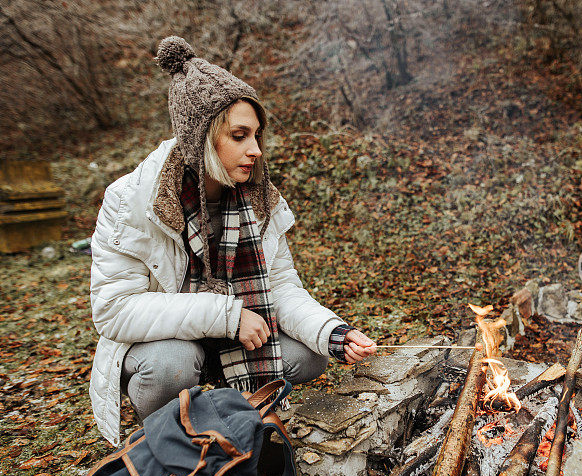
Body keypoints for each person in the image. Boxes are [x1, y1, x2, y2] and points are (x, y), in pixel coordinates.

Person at [88, 36, 376, 446]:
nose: (255, 150)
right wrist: (226, 316)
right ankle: (168, 441)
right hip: (165, 344)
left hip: (231, 336)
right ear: (202, 137)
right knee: (172, 365)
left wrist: (332, 332)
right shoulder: (133, 200)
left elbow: (282, 289)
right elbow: (113, 310)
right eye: (239, 136)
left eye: (257, 135)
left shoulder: (260, 198)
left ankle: (234, 411)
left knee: (311, 353)